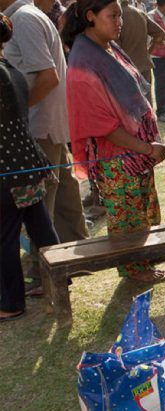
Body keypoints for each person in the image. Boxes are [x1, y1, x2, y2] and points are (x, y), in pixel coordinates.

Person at [62, 0, 165, 283]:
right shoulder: (83, 62)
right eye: (113, 16)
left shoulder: (107, 47)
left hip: (134, 152)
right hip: (118, 158)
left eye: (120, 15)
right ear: (91, 16)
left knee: (138, 212)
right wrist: (147, 147)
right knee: (126, 216)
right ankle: (134, 268)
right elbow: (102, 125)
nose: (119, 22)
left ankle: (143, 256)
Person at [1, 0, 89, 293]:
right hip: (47, 123)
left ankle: (45, 273)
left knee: (41, 209)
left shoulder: (23, 19)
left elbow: (48, 77)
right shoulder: (27, 15)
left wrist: (15, 114)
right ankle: (77, 257)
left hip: (39, 125)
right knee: (63, 197)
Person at [0, 12, 60, 321]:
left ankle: (11, 303)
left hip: (8, 170)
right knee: (41, 229)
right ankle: (59, 284)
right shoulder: (11, 70)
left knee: (5, 237)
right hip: (27, 163)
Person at [116, 0, 165, 102]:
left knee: (128, 104)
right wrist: (148, 51)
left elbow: (115, 47)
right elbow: (161, 35)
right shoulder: (140, 13)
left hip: (125, 68)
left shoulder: (116, 18)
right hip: (144, 65)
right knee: (146, 102)